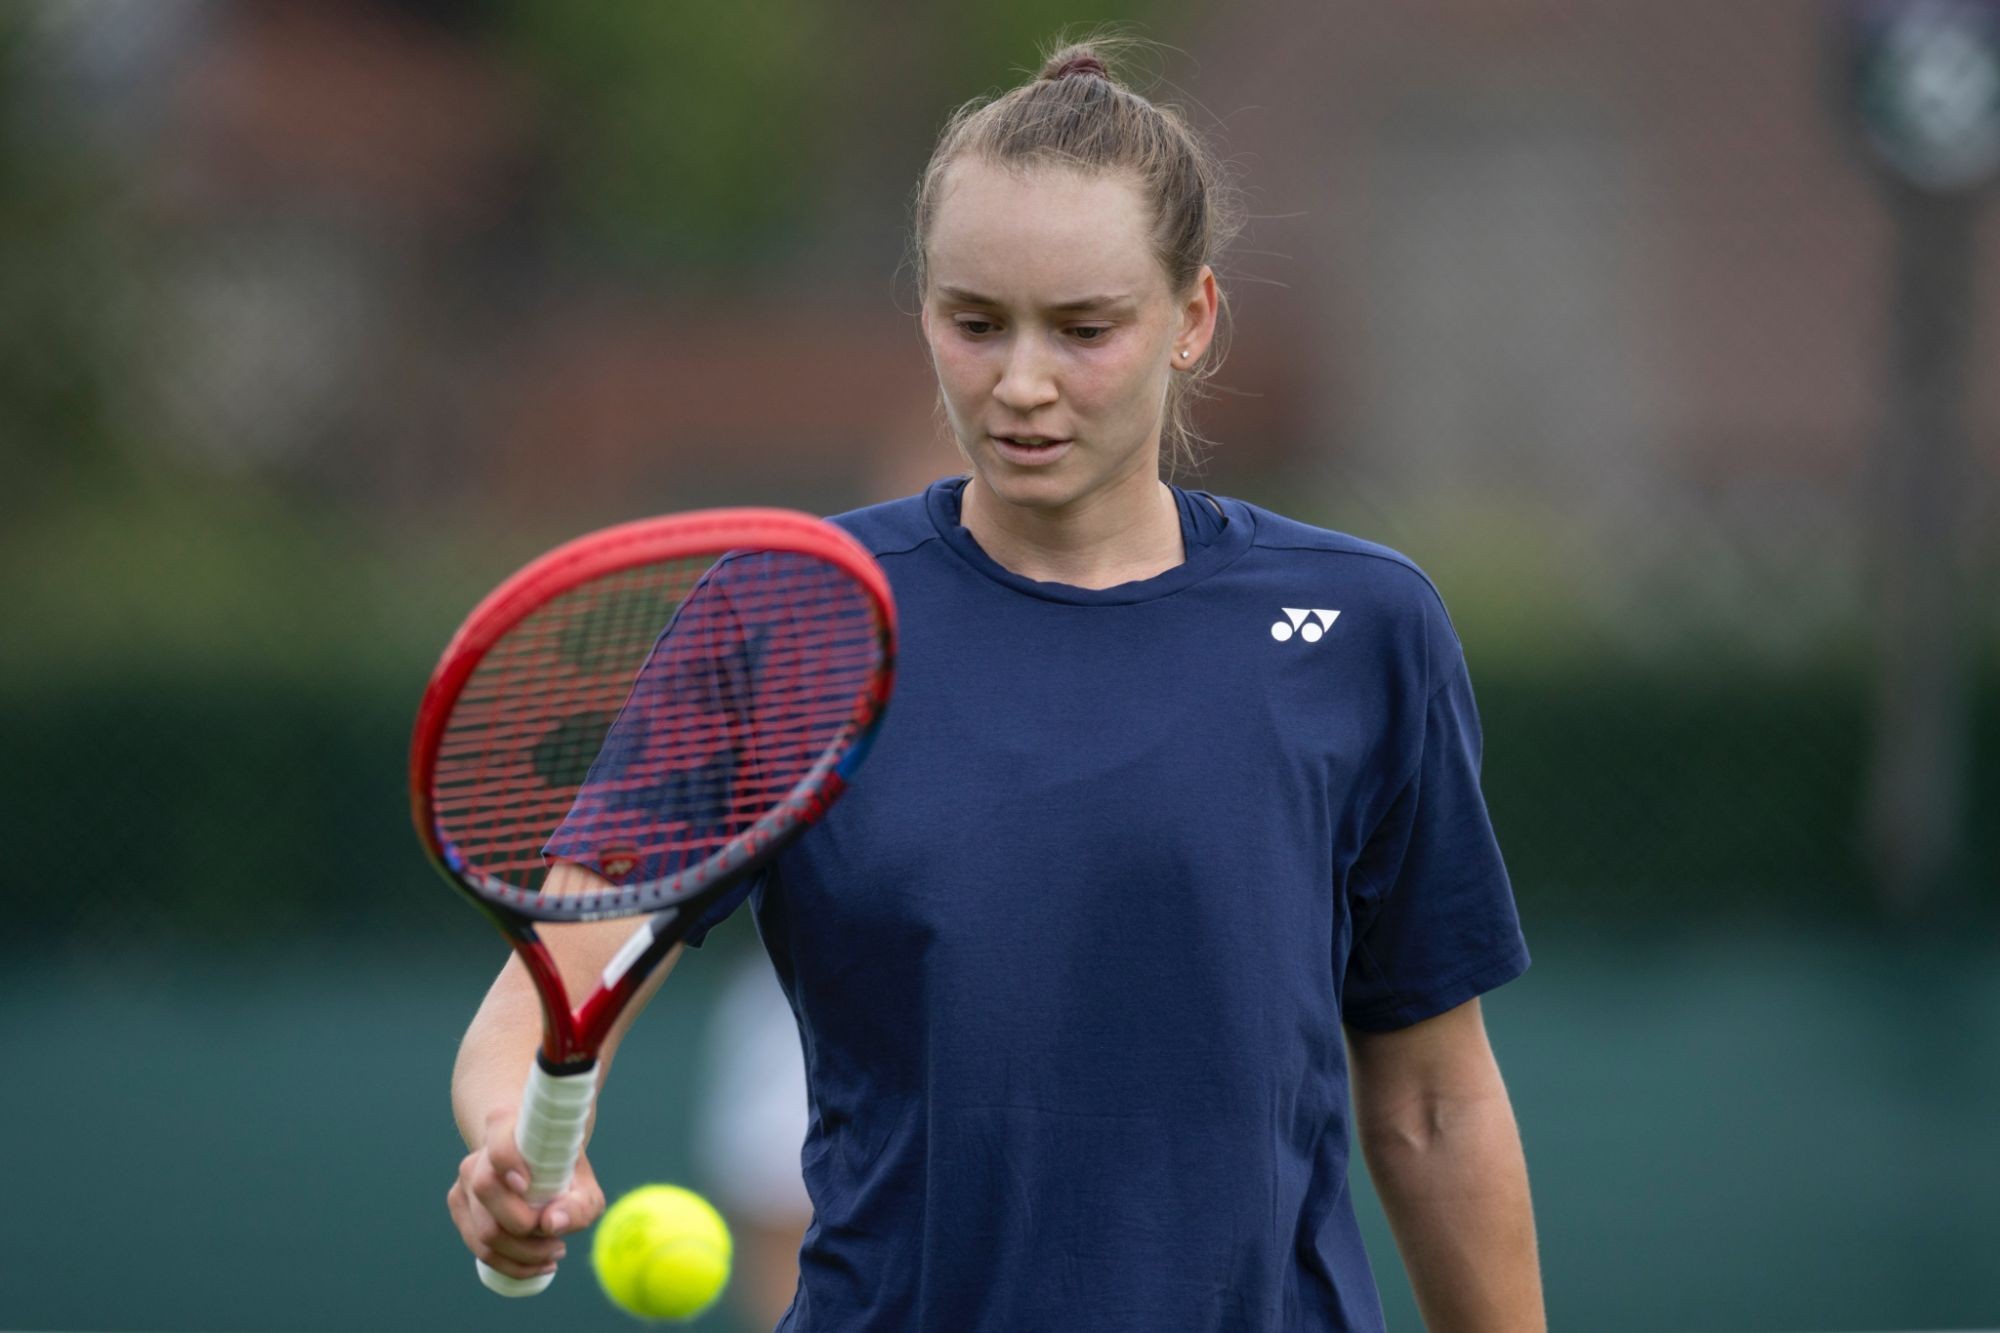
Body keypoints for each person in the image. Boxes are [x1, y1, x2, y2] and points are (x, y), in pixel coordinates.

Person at [448, 36, 1544, 1331]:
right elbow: (551, 985)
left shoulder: (1365, 627)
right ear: (925, 310)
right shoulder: (791, 616)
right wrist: (514, 1141)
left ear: (1193, 318)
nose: (1022, 384)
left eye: (1084, 329)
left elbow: (1433, 1102)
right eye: (976, 324)